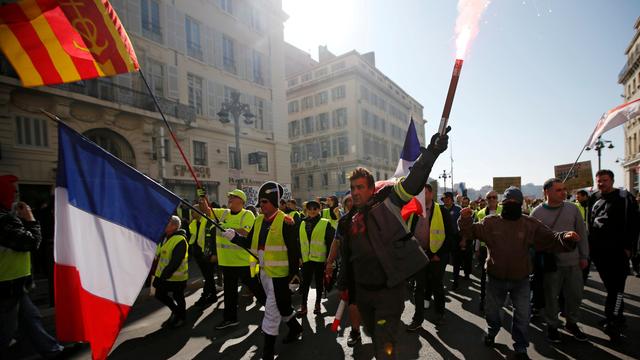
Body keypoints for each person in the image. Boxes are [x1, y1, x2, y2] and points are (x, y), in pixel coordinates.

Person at [336, 128, 449, 359]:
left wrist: (432, 152)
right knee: (374, 335)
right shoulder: (347, 221)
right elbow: (347, 257)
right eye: (352, 188)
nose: (356, 193)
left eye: (360, 187)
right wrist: (344, 282)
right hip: (363, 292)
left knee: (384, 345)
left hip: (388, 291)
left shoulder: (387, 199)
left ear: (370, 188)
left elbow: (413, 181)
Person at [458, 186, 581, 359]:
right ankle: (491, 332)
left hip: (521, 279)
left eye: (516, 202)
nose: (512, 204)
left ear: (521, 203)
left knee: (523, 316)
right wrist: (465, 219)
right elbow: (469, 232)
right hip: (495, 279)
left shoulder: (529, 223)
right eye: (508, 202)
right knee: (493, 313)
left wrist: (565, 237)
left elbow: (550, 238)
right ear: (503, 202)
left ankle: (521, 347)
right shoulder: (490, 222)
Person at [224, 181, 303, 360]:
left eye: (265, 201)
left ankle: (267, 353)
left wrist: (294, 277)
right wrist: (234, 237)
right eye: (260, 202)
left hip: (280, 277)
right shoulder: (259, 220)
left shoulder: (286, 221)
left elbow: (293, 252)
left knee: (271, 312)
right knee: (283, 307)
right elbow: (251, 245)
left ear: (274, 202)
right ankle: (296, 328)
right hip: (264, 274)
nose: (261, 205)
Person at [0, 175, 65, 358]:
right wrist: (30, 220)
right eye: (12, 191)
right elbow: (31, 242)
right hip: (7, 285)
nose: (16, 194)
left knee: (31, 318)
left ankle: (51, 350)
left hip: (15, 284)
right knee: (6, 331)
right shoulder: (3, 220)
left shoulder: (7, 217)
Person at [531, 179, 589, 343]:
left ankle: (572, 323)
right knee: (551, 297)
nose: (563, 192)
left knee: (575, 296)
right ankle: (552, 325)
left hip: (573, 262)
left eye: (564, 189)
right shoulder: (536, 213)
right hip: (551, 265)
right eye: (558, 190)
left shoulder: (573, 209)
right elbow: (533, 240)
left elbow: (582, 234)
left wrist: (584, 256)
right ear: (546, 192)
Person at [587, 169, 640, 338]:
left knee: (616, 289)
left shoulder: (625, 198)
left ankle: (613, 322)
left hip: (618, 253)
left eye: (605, 180)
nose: (601, 183)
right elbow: (590, 222)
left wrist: (629, 247)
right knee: (611, 288)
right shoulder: (594, 198)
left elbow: (634, 224)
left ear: (612, 180)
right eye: (599, 180)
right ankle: (617, 316)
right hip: (599, 254)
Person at [212, 189, 266, 330]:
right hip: (227, 262)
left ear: (241, 201)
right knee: (229, 293)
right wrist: (201, 197)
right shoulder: (223, 213)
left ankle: (273, 311)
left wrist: (227, 228)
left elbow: (246, 232)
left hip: (243, 262)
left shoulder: (247, 214)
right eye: (229, 197)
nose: (229, 199)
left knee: (256, 288)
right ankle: (230, 319)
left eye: (233, 197)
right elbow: (206, 210)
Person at [407, 183, 454, 330]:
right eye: (419, 193)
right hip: (419, 255)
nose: (422, 196)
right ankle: (417, 319)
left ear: (431, 194)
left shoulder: (441, 211)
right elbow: (408, 233)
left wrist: (438, 254)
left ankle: (440, 314)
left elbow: (450, 235)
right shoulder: (413, 212)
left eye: (425, 193)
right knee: (419, 288)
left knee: (436, 285)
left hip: (436, 257)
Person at [325, 195, 362, 347]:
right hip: (349, 267)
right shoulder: (343, 221)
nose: (351, 204)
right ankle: (355, 332)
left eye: (353, 201)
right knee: (352, 303)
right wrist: (329, 262)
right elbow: (336, 242)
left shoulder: (371, 216)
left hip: (370, 268)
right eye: (348, 202)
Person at [297, 200, 334, 316]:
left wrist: (329, 261)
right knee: (305, 284)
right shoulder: (302, 223)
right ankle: (304, 306)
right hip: (306, 259)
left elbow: (330, 243)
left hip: (319, 259)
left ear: (319, 210)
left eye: (315, 208)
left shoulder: (325, 223)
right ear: (306, 210)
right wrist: (299, 257)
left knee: (319, 283)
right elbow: (299, 242)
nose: (312, 211)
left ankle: (317, 304)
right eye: (310, 209)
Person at [154, 216, 189, 328]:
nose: (163, 224)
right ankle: (176, 311)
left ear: (174, 226)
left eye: (167, 223)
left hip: (176, 277)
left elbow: (176, 261)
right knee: (159, 294)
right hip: (164, 275)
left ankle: (181, 317)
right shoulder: (165, 237)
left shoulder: (180, 240)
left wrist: (164, 276)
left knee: (178, 297)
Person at [474, 190, 502, 312]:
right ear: (486, 200)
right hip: (485, 249)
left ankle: (499, 301)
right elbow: (477, 232)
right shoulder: (480, 213)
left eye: (494, 197)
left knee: (499, 276)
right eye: (489, 197)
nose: (491, 199)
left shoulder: (503, 210)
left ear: (497, 199)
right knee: (485, 277)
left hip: (501, 249)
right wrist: (476, 248)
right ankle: (483, 300)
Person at [188, 198, 218, 308]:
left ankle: (205, 296)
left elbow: (214, 239)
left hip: (207, 254)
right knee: (208, 276)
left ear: (200, 212)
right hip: (199, 254)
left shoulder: (208, 222)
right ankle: (213, 296)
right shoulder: (194, 223)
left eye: (193, 211)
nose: (191, 213)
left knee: (208, 277)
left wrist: (214, 254)